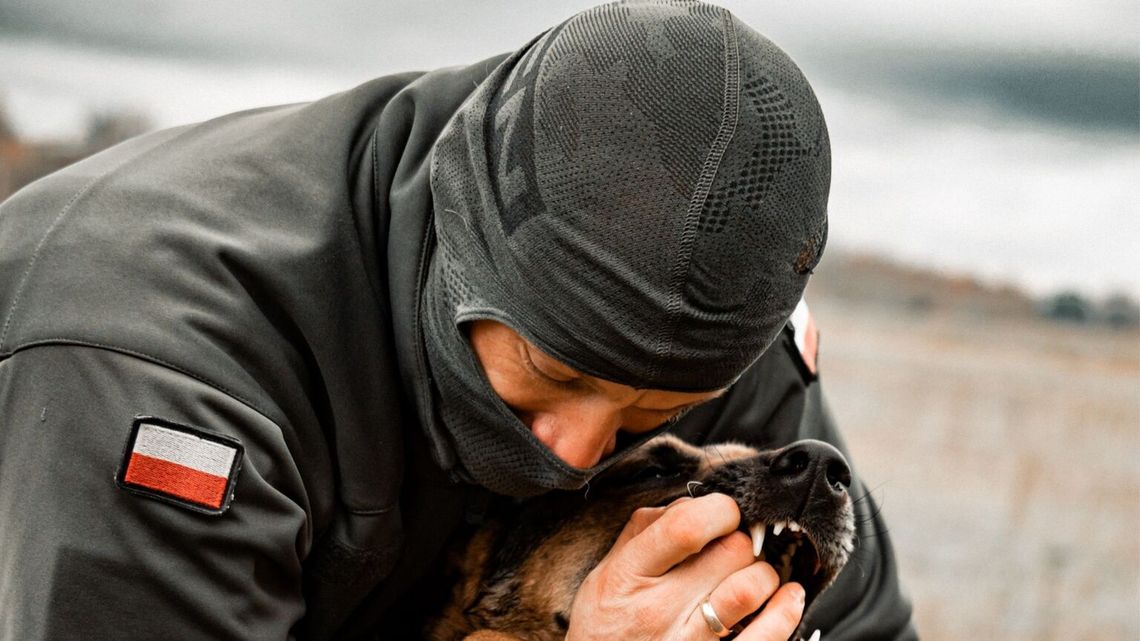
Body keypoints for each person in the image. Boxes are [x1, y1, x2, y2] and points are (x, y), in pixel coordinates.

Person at [0, 1, 916, 639]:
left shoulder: (697, 318)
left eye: (653, 421)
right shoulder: (157, 373)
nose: (575, 456)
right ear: (460, 249)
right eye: (558, 374)